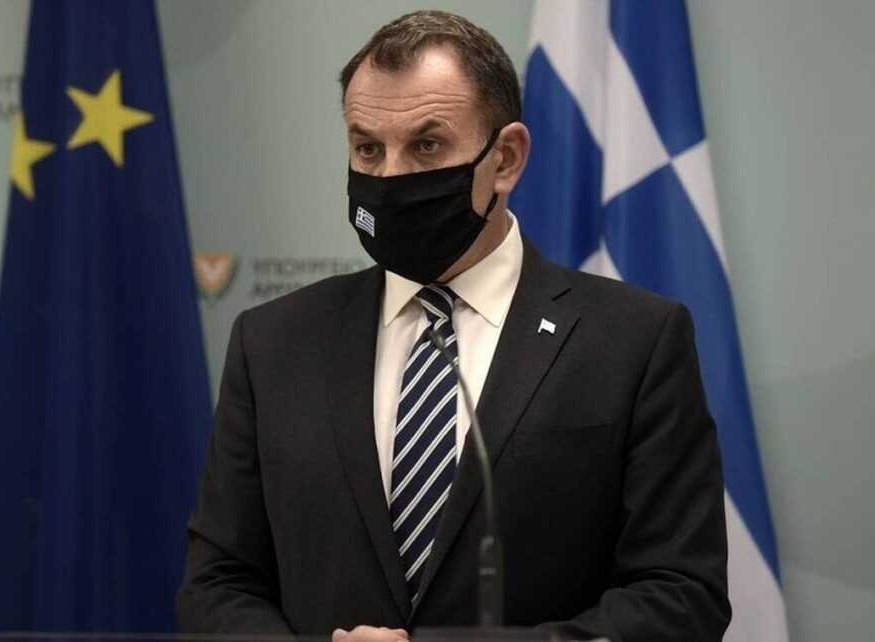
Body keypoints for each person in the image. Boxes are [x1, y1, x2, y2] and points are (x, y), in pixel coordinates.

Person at [177, 10, 730, 642]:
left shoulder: (634, 341)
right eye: (367, 148)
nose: (389, 179)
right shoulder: (274, 342)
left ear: (506, 158)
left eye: (427, 146)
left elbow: (681, 595)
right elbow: (218, 584)